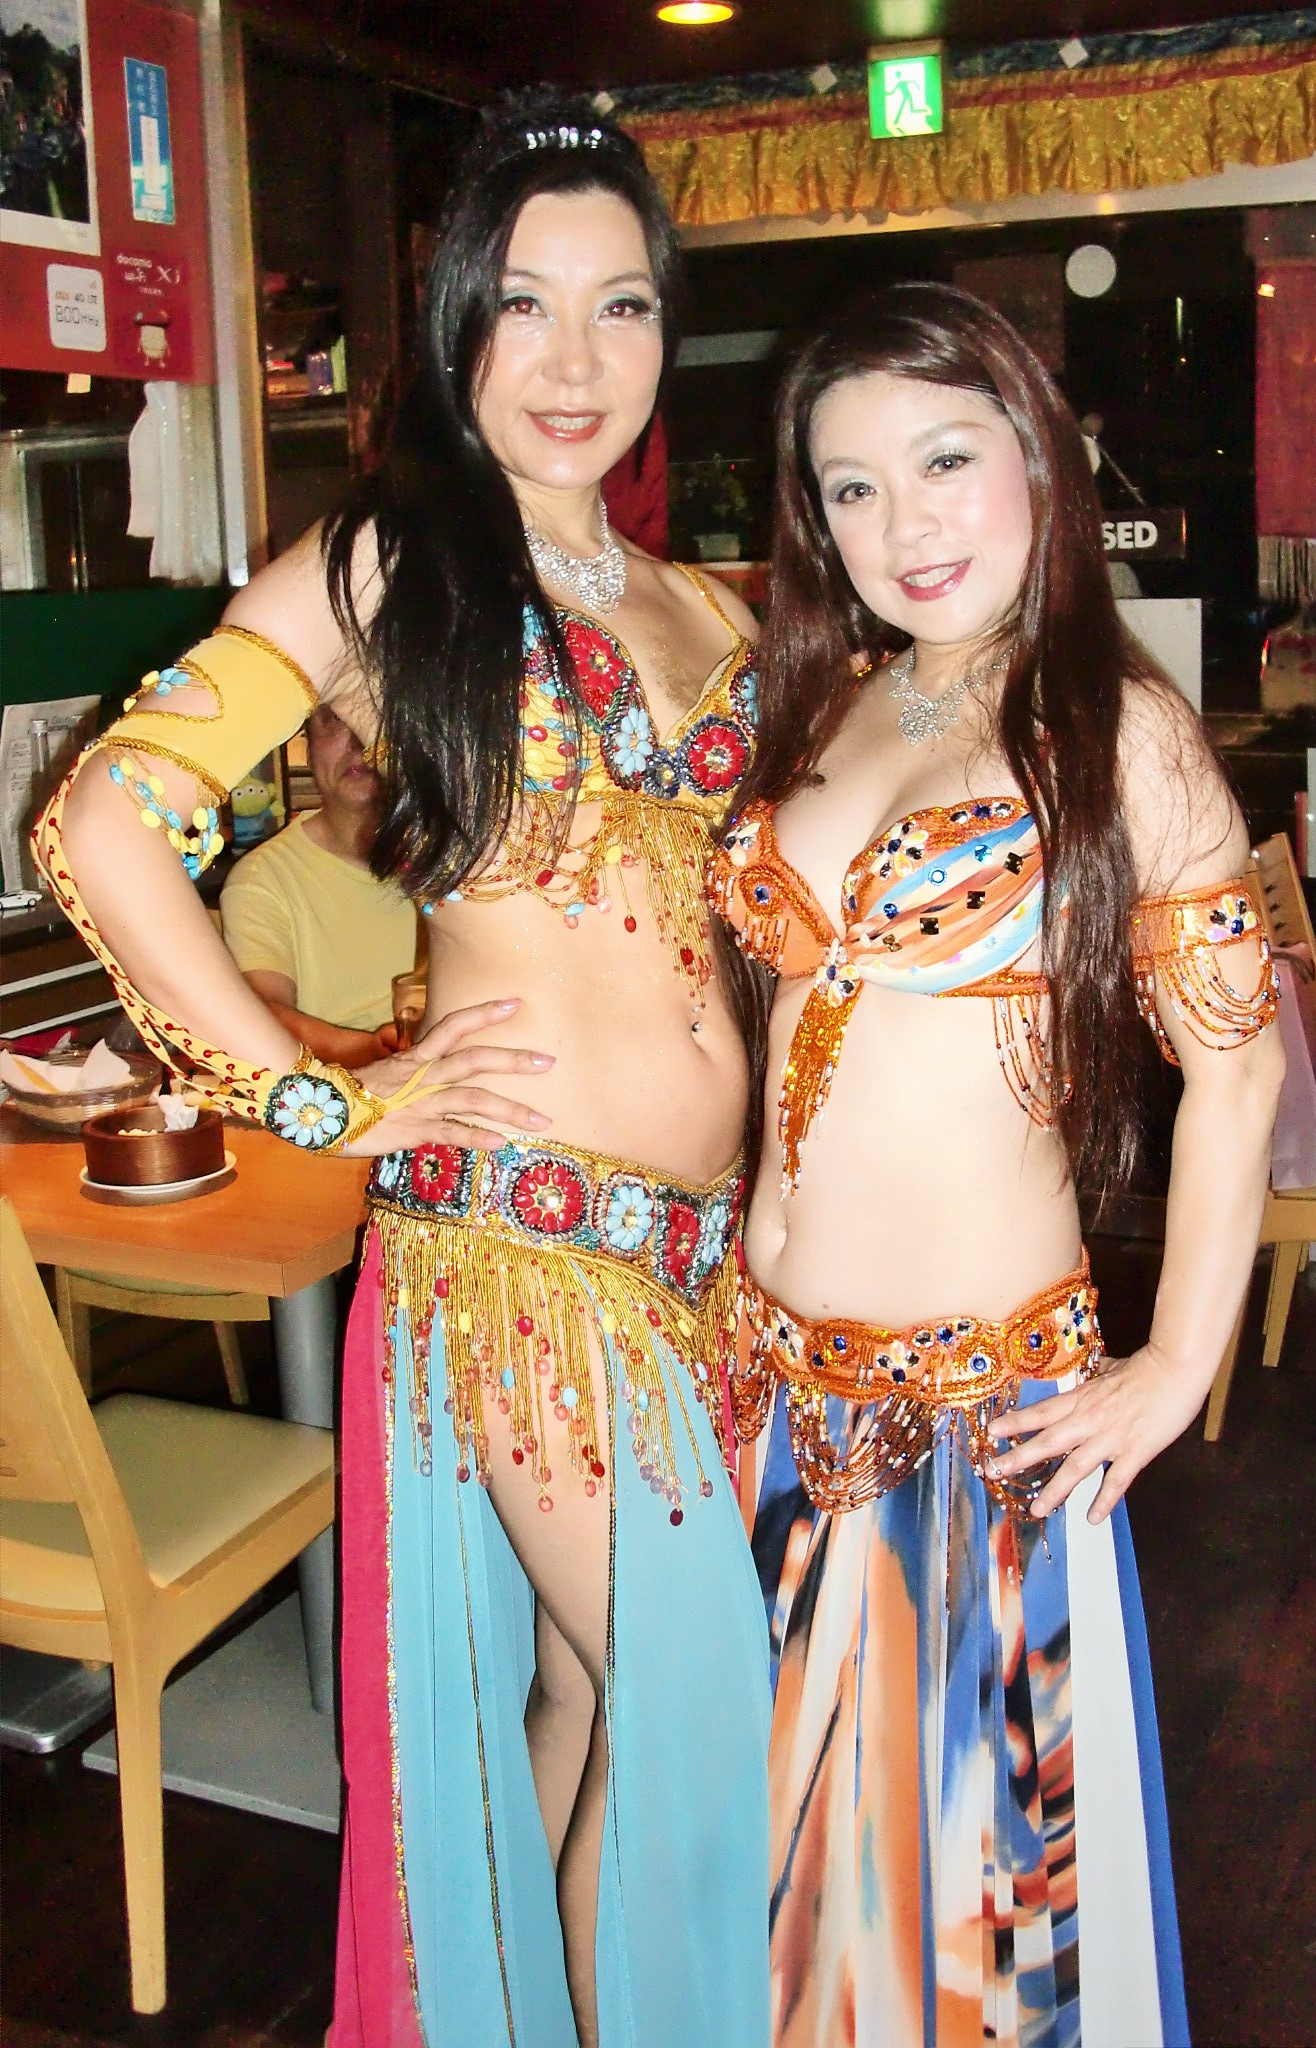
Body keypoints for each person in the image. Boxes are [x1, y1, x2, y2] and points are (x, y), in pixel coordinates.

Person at [34, 99, 769, 2048]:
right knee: (703, 1703)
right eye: (525, 303)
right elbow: (107, 819)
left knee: (591, 1697)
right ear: (457, 326)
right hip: (521, 1255)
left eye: (621, 305)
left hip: (707, 1264)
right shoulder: (383, 565)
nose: (575, 357)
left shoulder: (703, 607)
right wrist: (321, 1099)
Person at [709, 283, 1285, 2048]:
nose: (905, 522)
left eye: (946, 460)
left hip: (974, 1419)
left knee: (965, 1936)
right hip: (761, 1386)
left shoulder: (1118, 726)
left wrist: (1176, 1364)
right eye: (854, 486)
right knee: (786, 1905)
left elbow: (1240, 1069)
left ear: (1039, 456)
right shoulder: (836, 701)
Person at [220, 701, 417, 1067]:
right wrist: (375, 1051)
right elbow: (261, 1013)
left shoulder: (466, 858)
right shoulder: (263, 878)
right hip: (343, 1089)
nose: (359, 740)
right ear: (309, 749)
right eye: (336, 720)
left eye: (378, 714)